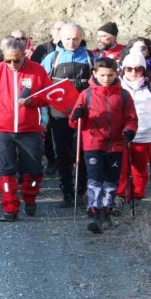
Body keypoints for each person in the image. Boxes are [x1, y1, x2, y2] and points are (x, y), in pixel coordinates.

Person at [0, 37, 52, 222]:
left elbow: (49, 94)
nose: (12, 64)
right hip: (1, 129)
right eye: (8, 60)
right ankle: (9, 207)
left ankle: (30, 197)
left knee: (34, 170)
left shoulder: (37, 70)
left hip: (30, 129)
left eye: (16, 60)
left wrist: (33, 101)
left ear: (24, 56)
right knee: (5, 169)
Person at [69, 57, 137, 233]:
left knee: (111, 181)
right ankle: (94, 211)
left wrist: (130, 130)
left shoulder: (123, 95)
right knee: (95, 179)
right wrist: (77, 115)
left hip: (116, 144)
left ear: (117, 74)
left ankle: (107, 211)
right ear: (94, 74)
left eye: (110, 75)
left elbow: (131, 118)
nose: (106, 78)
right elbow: (74, 122)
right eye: (102, 75)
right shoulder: (86, 94)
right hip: (93, 144)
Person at [41, 22, 94, 207]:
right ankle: (67, 193)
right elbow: (42, 85)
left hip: (84, 113)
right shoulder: (52, 58)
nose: (72, 42)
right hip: (59, 114)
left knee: (82, 152)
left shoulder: (89, 57)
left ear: (81, 38)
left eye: (76, 39)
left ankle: (81, 192)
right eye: (68, 39)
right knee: (62, 154)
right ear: (60, 39)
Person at [118, 52, 151, 209]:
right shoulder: (117, 85)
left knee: (140, 168)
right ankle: (118, 196)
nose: (133, 73)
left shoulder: (149, 86)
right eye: (129, 69)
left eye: (138, 69)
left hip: (145, 134)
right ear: (123, 69)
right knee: (121, 168)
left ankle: (136, 196)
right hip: (122, 135)